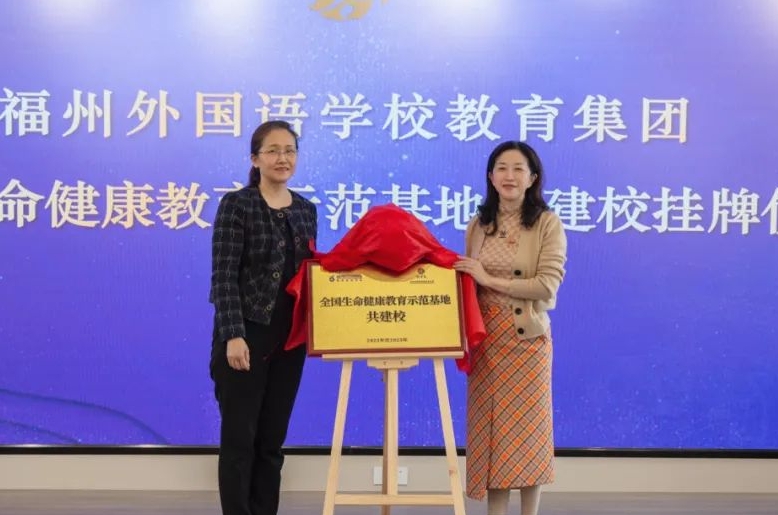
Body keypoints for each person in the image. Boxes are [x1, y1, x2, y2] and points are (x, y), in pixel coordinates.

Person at [209, 120, 318, 515]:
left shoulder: (305, 210)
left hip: (290, 341)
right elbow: (223, 276)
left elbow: (309, 277)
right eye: (273, 150)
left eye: (289, 150)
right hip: (245, 337)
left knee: (272, 443)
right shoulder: (237, 205)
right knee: (240, 441)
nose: (282, 158)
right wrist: (233, 335)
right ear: (255, 159)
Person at [453, 141, 567, 515]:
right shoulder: (478, 224)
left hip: (526, 342)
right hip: (485, 342)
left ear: (532, 178)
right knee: (492, 434)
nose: (509, 176)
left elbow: (546, 286)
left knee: (528, 435)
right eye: (502, 168)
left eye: (519, 169)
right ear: (491, 176)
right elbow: (467, 280)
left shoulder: (547, 223)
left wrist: (490, 279)